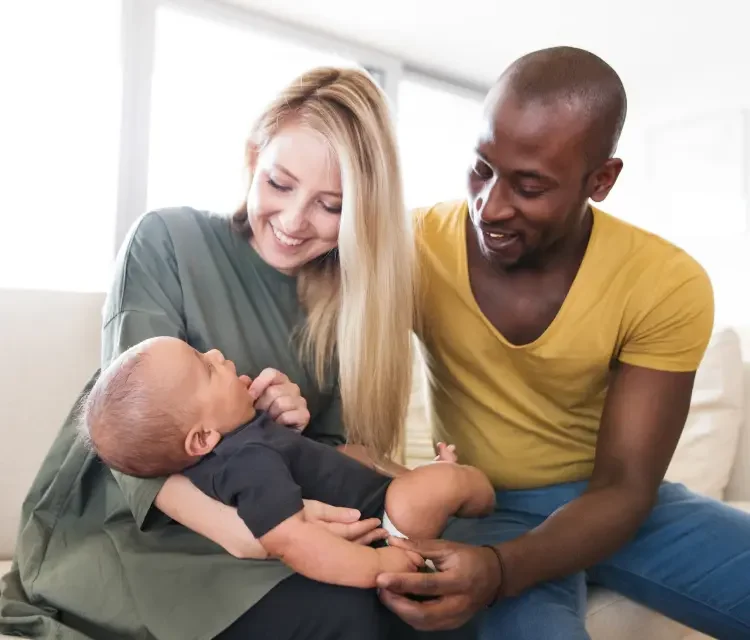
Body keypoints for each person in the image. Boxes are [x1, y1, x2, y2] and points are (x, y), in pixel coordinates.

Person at [0, 66, 424, 640]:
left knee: (408, 601)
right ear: (253, 159)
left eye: (331, 205)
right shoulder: (167, 241)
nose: (295, 221)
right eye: (279, 183)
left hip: (275, 516)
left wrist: (290, 435)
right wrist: (243, 533)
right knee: (341, 614)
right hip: (138, 531)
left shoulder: (348, 305)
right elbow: (125, 436)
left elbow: (324, 461)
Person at [375, 46, 750, 639]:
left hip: (616, 503)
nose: (489, 206)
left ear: (601, 180)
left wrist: (502, 571)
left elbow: (625, 487)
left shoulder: (665, 282)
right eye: (482, 167)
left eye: (529, 186)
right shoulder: (413, 246)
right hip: (484, 506)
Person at [80, 335, 496, 588]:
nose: (216, 353)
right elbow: (294, 543)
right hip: (382, 520)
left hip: (372, 494)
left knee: (357, 453)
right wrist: (376, 566)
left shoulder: (239, 442)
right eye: (207, 368)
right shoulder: (246, 462)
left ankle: (438, 481)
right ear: (203, 437)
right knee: (442, 487)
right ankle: (477, 493)